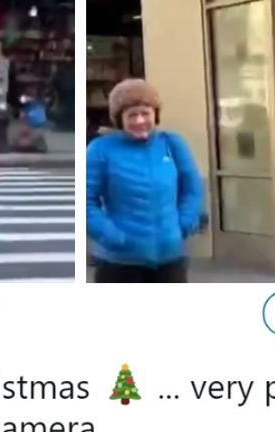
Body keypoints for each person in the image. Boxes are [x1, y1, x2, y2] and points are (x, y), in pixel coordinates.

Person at [86, 78, 206, 282]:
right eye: (132, 115)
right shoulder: (100, 149)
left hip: (170, 259)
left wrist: (184, 224)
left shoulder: (172, 144)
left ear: (155, 115)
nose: (140, 121)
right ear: (119, 119)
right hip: (119, 262)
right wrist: (111, 236)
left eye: (145, 113)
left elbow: (192, 188)